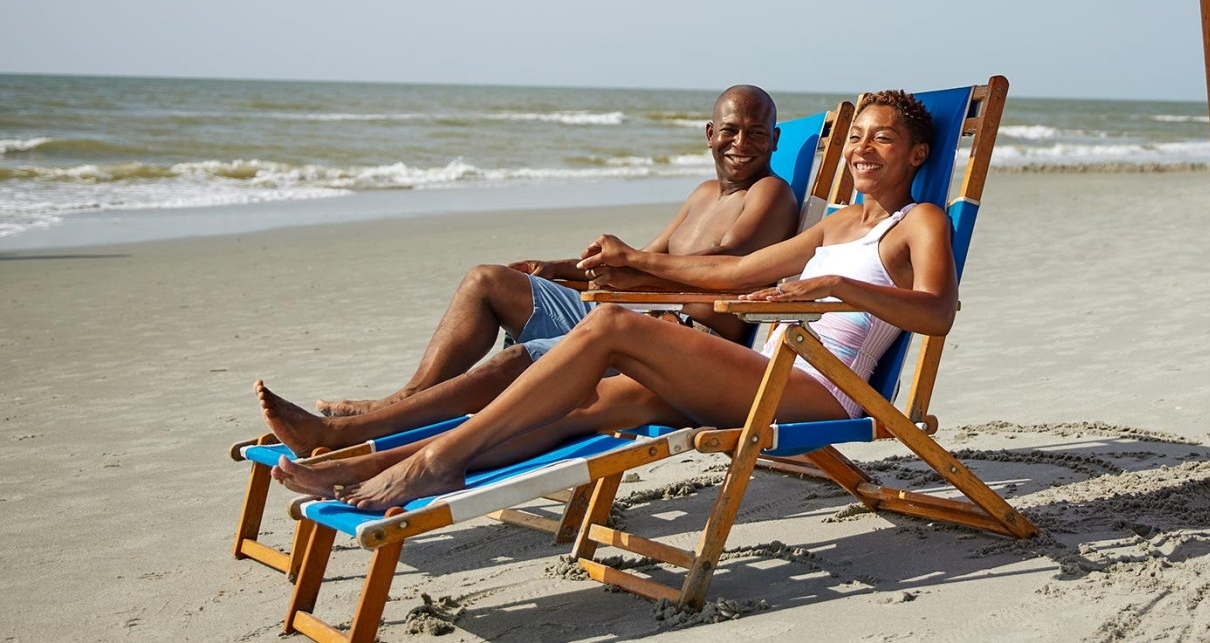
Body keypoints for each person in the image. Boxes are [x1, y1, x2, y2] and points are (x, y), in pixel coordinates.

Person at [266, 90, 958, 512]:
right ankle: (371, 462)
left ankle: (431, 462)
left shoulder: (920, 222)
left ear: (917, 153)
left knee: (610, 327)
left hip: (822, 388)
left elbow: (937, 313)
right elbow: (734, 270)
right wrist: (617, 263)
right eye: (859, 136)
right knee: (579, 406)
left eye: (883, 137)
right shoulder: (837, 222)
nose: (864, 147)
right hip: (771, 371)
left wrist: (836, 286)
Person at [254, 86, 798, 457]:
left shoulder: (772, 193)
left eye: (756, 133)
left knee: (521, 359)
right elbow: (646, 259)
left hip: (676, 346)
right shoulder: (703, 193)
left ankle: (342, 433)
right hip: (627, 313)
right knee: (486, 281)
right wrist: (561, 268)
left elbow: (726, 266)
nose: (741, 143)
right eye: (730, 130)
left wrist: (629, 267)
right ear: (709, 133)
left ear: (774, 141)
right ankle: (408, 398)